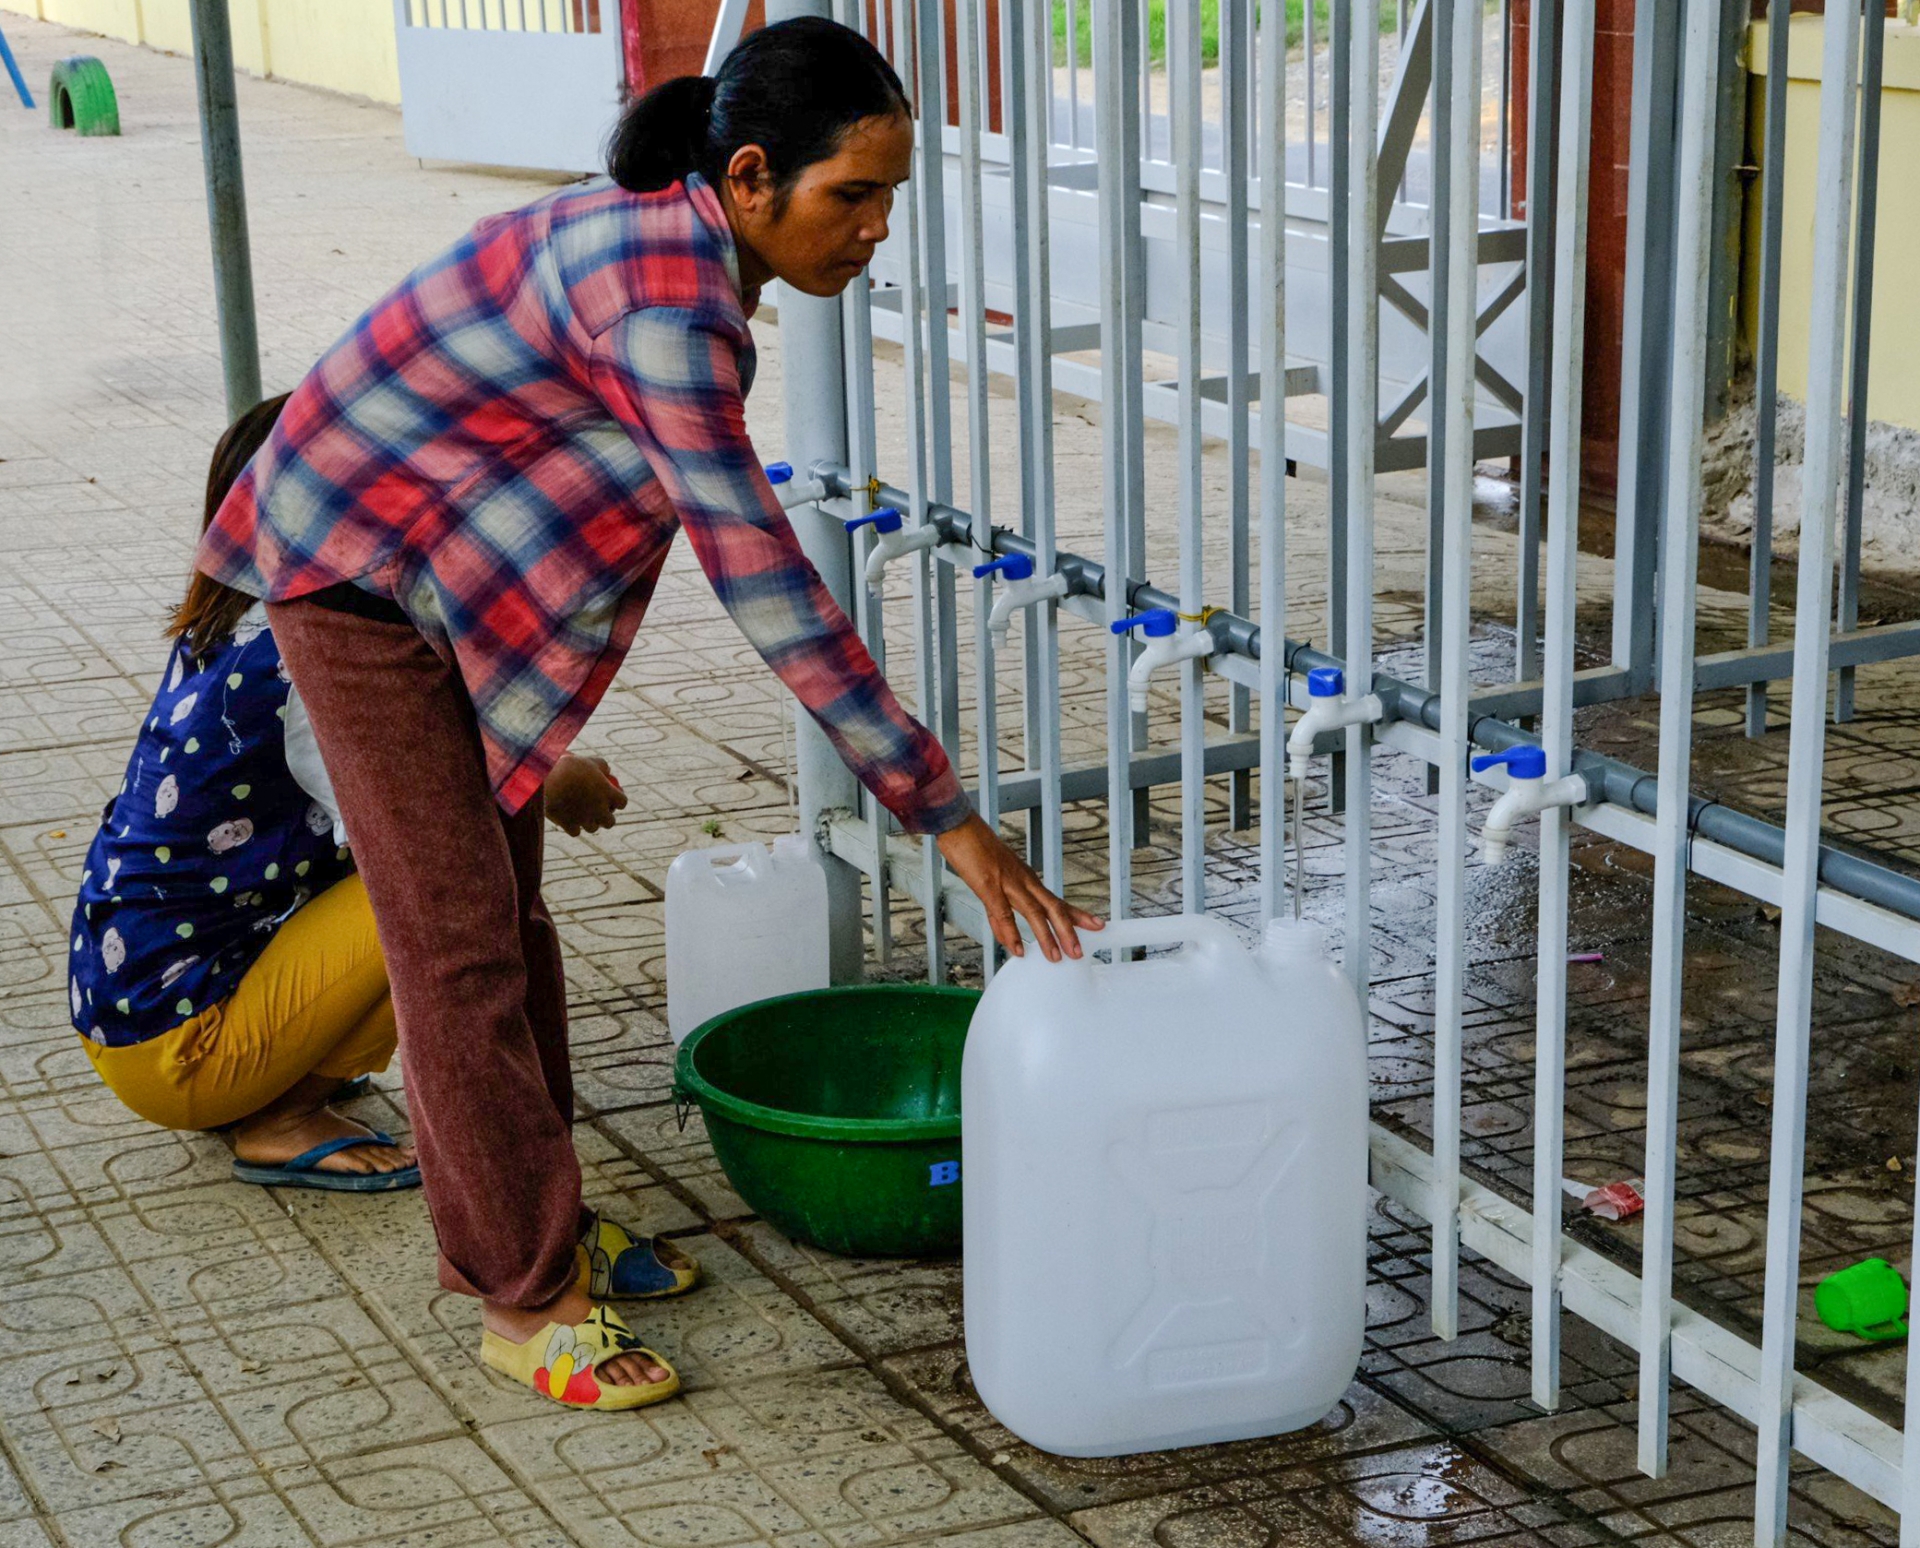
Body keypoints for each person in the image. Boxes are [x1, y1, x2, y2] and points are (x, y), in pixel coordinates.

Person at [190, 16, 1101, 1414]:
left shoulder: (675, 249)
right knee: (455, 952)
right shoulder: (670, 311)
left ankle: (539, 1218)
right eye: (850, 195)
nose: (872, 232)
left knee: (511, 924)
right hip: (353, 581)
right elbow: (768, 585)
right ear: (748, 178)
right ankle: (521, 1293)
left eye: (889, 200)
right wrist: (949, 817)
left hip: (429, 573)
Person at [67, 398, 696, 1327]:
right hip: (176, 1045)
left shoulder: (239, 612)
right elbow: (432, 804)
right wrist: (548, 777)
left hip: (140, 1002)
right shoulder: (295, 662)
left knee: (447, 897)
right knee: (453, 907)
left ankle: (318, 1108)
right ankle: (291, 1126)